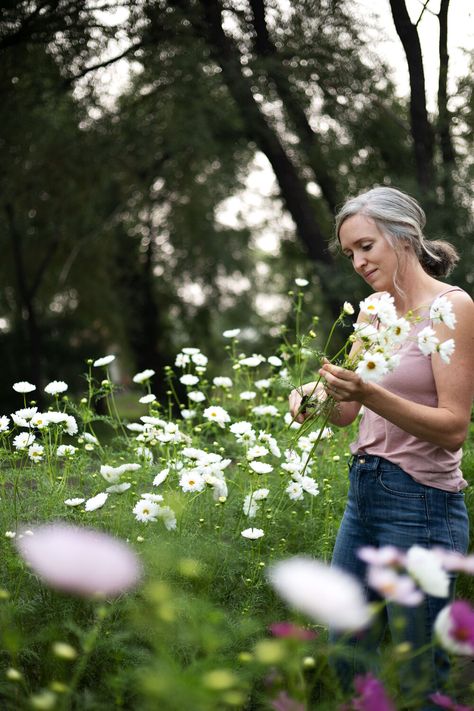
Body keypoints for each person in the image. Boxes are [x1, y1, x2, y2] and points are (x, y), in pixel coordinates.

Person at [288, 186, 474, 709]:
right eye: (350, 253)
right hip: (363, 496)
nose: (359, 261)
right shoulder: (374, 311)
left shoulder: (450, 308)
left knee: (420, 675)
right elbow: (347, 410)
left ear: (404, 237)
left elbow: (452, 427)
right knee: (347, 654)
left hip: (421, 506)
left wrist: (368, 390)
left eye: (366, 246)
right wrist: (312, 396)